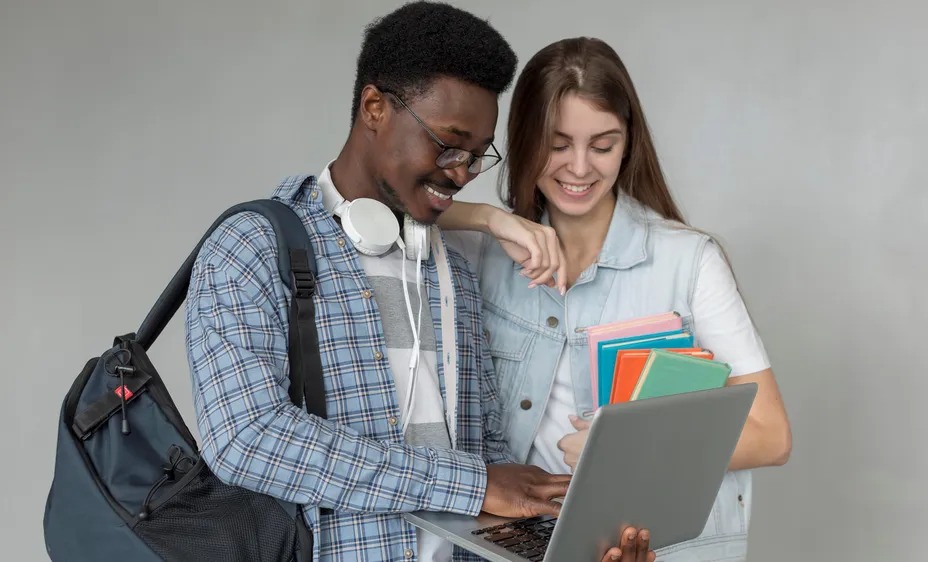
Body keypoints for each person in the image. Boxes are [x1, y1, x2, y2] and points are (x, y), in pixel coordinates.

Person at [185, 4, 654, 562]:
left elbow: (491, 457)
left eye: (478, 157)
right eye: (448, 144)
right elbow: (247, 439)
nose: (460, 174)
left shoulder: (450, 267)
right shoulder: (251, 248)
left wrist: (567, 546)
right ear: (375, 107)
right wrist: (472, 483)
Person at [440, 37, 793, 561]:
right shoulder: (483, 254)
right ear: (524, 140)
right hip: (529, 545)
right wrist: (489, 217)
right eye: (557, 144)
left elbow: (771, 435)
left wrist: (624, 455)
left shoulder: (689, 261)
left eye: (602, 145)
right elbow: (378, 206)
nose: (579, 168)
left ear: (628, 144)